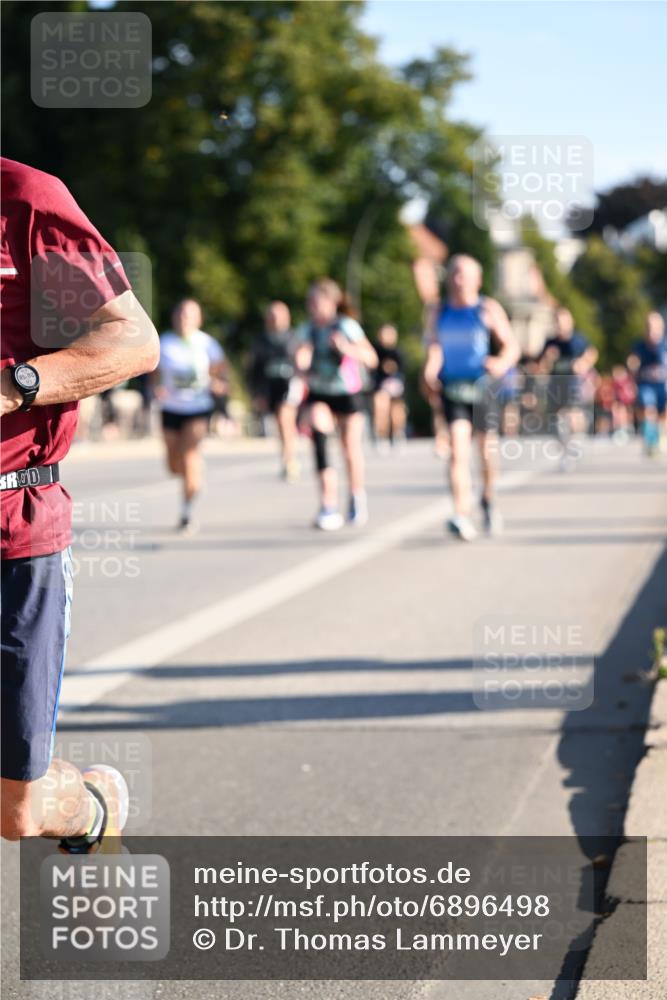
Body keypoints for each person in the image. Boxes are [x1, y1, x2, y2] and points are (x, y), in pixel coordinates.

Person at [0, 157, 159, 848]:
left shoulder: (26, 202)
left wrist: (15, 386)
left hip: (14, 529)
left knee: (15, 813)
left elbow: (131, 340)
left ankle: (92, 805)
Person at [423, 254, 519, 541]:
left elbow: (511, 346)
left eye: (463, 274)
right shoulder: (439, 311)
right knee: (457, 450)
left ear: (477, 280)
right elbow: (434, 347)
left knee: (487, 452)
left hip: (483, 387)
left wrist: (501, 362)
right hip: (453, 389)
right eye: (453, 273)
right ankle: (461, 514)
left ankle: (488, 498)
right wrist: (430, 370)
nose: (458, 280)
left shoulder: (487, 309)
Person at [295, 278, 378, 530]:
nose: (312, 306)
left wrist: (346, 349)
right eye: (309, 301)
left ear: (331, 302)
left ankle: (356, 495)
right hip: (320, 392)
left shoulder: (346, 326)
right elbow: (300, 354)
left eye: (316, 301)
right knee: (320, 439)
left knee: (349, 447)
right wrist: (301, 363)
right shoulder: (307, 329)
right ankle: (327, 504)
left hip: (348, 391)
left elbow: (371, 358)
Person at [155, 299, 227, 532]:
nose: (183, 318)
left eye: (189, 315)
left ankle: (186, 511)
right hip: (171, 408)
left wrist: (219, 385)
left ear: (198, 319)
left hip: (198, 407)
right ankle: (192, 473)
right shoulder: (164, 342)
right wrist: (156, 387)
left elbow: (222, 373)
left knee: (189, 456)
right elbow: (153, 372)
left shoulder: (207, 344)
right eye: (180, 314)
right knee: (174, 465)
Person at [539, 306, 598, 466]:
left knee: (573, 416)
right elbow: (541, 368)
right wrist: (548, 359)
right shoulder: (551, 343)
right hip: (555, 385)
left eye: (563, 321)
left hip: (573, 384)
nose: (560, 325)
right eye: (557, 321)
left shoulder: (578, 340)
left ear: (570, 322)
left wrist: (583, 363)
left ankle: (576, 441)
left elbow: (592, 353)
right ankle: (566, 450)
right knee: (555, 422)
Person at [250, 301, 302, 481]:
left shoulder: (294, 338)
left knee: (285, 418)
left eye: (278, 316)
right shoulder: (260, 341)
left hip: (290, 384)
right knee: (280, 424)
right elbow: (254, 369)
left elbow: (302, 362)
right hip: (269, 387)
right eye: (271, 316)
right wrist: (256, 393)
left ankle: (290, 461)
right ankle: (287, 454)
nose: (275, 320)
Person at [627, 311, 667, 456]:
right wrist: (633, 367)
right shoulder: (640, 345)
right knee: (648, 409)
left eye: (655, 327)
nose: (652, 331)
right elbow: (632, 360)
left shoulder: (665, 344)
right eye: (649, 327)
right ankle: (651, 441)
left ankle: (661, 436)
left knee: (663, 414)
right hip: (647, 384)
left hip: (663, 384)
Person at [372, 323, 407, 450]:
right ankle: (382, 436)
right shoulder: (375, 350)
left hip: (396, 385)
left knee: (397, 412)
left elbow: (403, 369)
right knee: (380, 409)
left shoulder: (398, 351)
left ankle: (398, 434)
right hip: (380, 385)